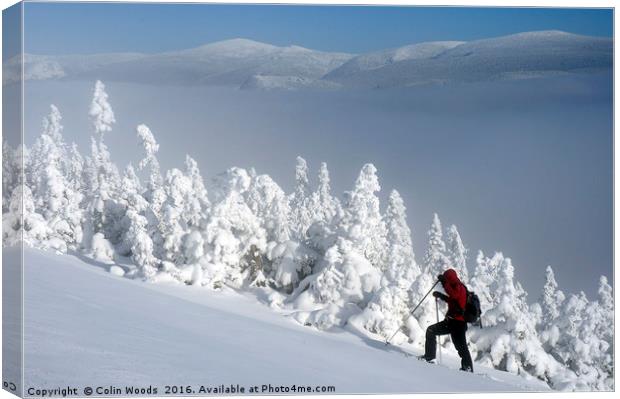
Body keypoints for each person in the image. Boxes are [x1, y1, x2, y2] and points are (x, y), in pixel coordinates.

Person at [419, 268, 474, 372]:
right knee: (432, 331)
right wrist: (441, 296)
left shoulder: (459, 287)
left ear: (450, 278)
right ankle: (430, 357)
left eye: (447, 279)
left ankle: (467, 368)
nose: (446, 281)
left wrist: (444, 283)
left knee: (461, 346)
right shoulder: (456, 286)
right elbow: (452, 299)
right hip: (453, 322)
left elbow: (453, 295)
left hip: (458, 323)